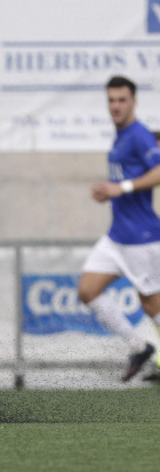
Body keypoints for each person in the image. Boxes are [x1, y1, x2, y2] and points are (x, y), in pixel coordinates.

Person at [77, 75, 160, 382]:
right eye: (112, 100)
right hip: (117, 237)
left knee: (152, 306)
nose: (116, 106)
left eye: (122, 100)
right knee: (87, 290)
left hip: (142, 239)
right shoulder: (120, 136)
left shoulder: (139, 135)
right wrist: (109, 192)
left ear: (134, 102)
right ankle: (138, 346)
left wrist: (121, 187)